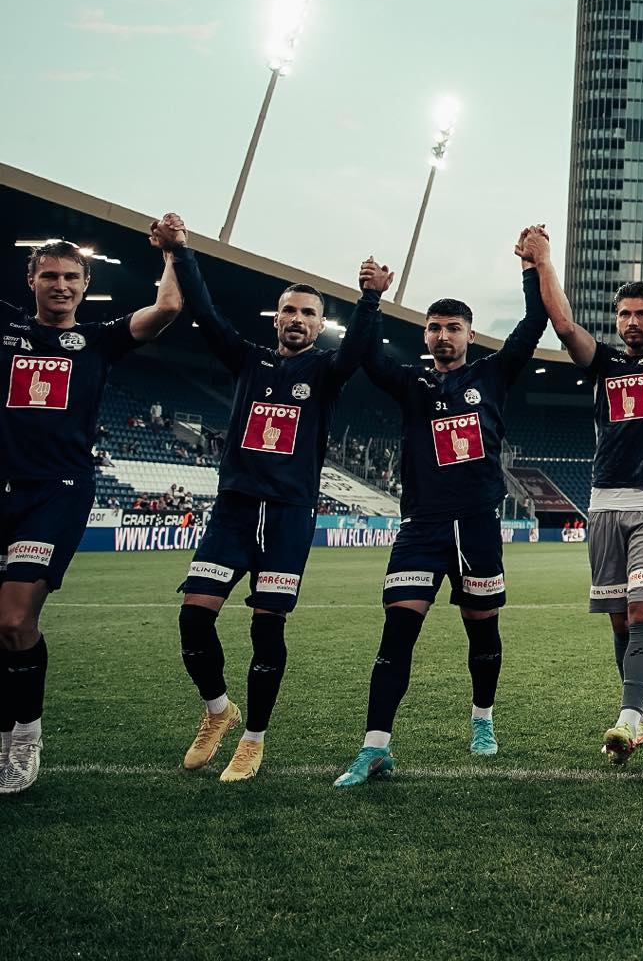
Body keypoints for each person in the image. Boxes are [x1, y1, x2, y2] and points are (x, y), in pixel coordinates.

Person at [159, 213, 384, 782]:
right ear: (276, 317)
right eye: (290, 310)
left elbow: (357, 351)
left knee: (266, 626)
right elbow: (206, 315)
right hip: (234, 509)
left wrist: (369, 301)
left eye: (309, 313)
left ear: (318, 324)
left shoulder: (326, 373)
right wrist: (183, 253)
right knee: (193, 618)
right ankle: (219, 712)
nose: (298, 320)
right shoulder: (249, 361)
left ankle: (253, 738)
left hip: (285, 517)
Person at [333, 227, 548, 787]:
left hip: (477, 525)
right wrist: (371, 299)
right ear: (425, 335)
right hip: (422, 528)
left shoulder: (492, 375)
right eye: (434, 327)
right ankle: (375, 746)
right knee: (397, 633)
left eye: (454, 327)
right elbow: (358, 355)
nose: (443, 335)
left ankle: (483, 719)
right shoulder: (410, 383)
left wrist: (531, 269)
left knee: (482, 632)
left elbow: (532, 326)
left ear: (471, 334)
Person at [0, 234, 182, 794]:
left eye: (70, 278)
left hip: (58, 490)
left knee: (13, 620)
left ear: (85, 286)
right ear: (32, 281)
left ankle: (25, 733)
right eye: (49, 276)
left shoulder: (98, 340)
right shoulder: (7, 331)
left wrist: (174, 252)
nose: (60, 286)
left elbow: (169, 308)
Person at [528, 185, 643, 767]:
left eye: (641, 314)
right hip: (603, 501)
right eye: (624, 314)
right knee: (621, 618)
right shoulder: (602, 363)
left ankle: (626, 716)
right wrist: (545, 261)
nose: (632, 322)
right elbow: (561, 321)